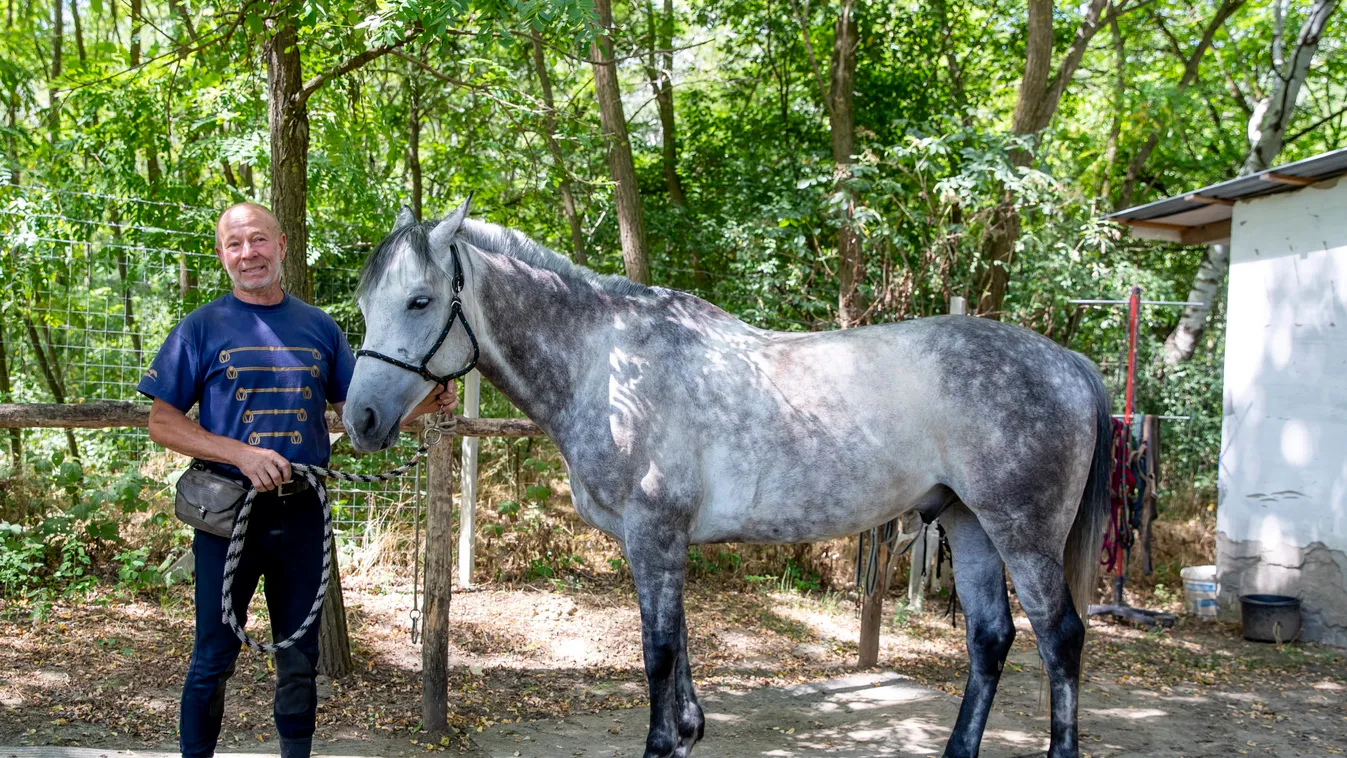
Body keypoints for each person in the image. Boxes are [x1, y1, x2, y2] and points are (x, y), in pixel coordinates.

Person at [138, 203, 457, 758]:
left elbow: (356, 413)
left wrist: (422, 405)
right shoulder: (200, 327)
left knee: (299, 661)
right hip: (227, 516)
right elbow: (161, 422)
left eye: (258, 241)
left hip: (303, 516)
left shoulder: (320, 328)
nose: (248, 253)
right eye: (235, 245)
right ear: (221, 256)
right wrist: (240, 454)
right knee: (213, 656)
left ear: (282, 246)